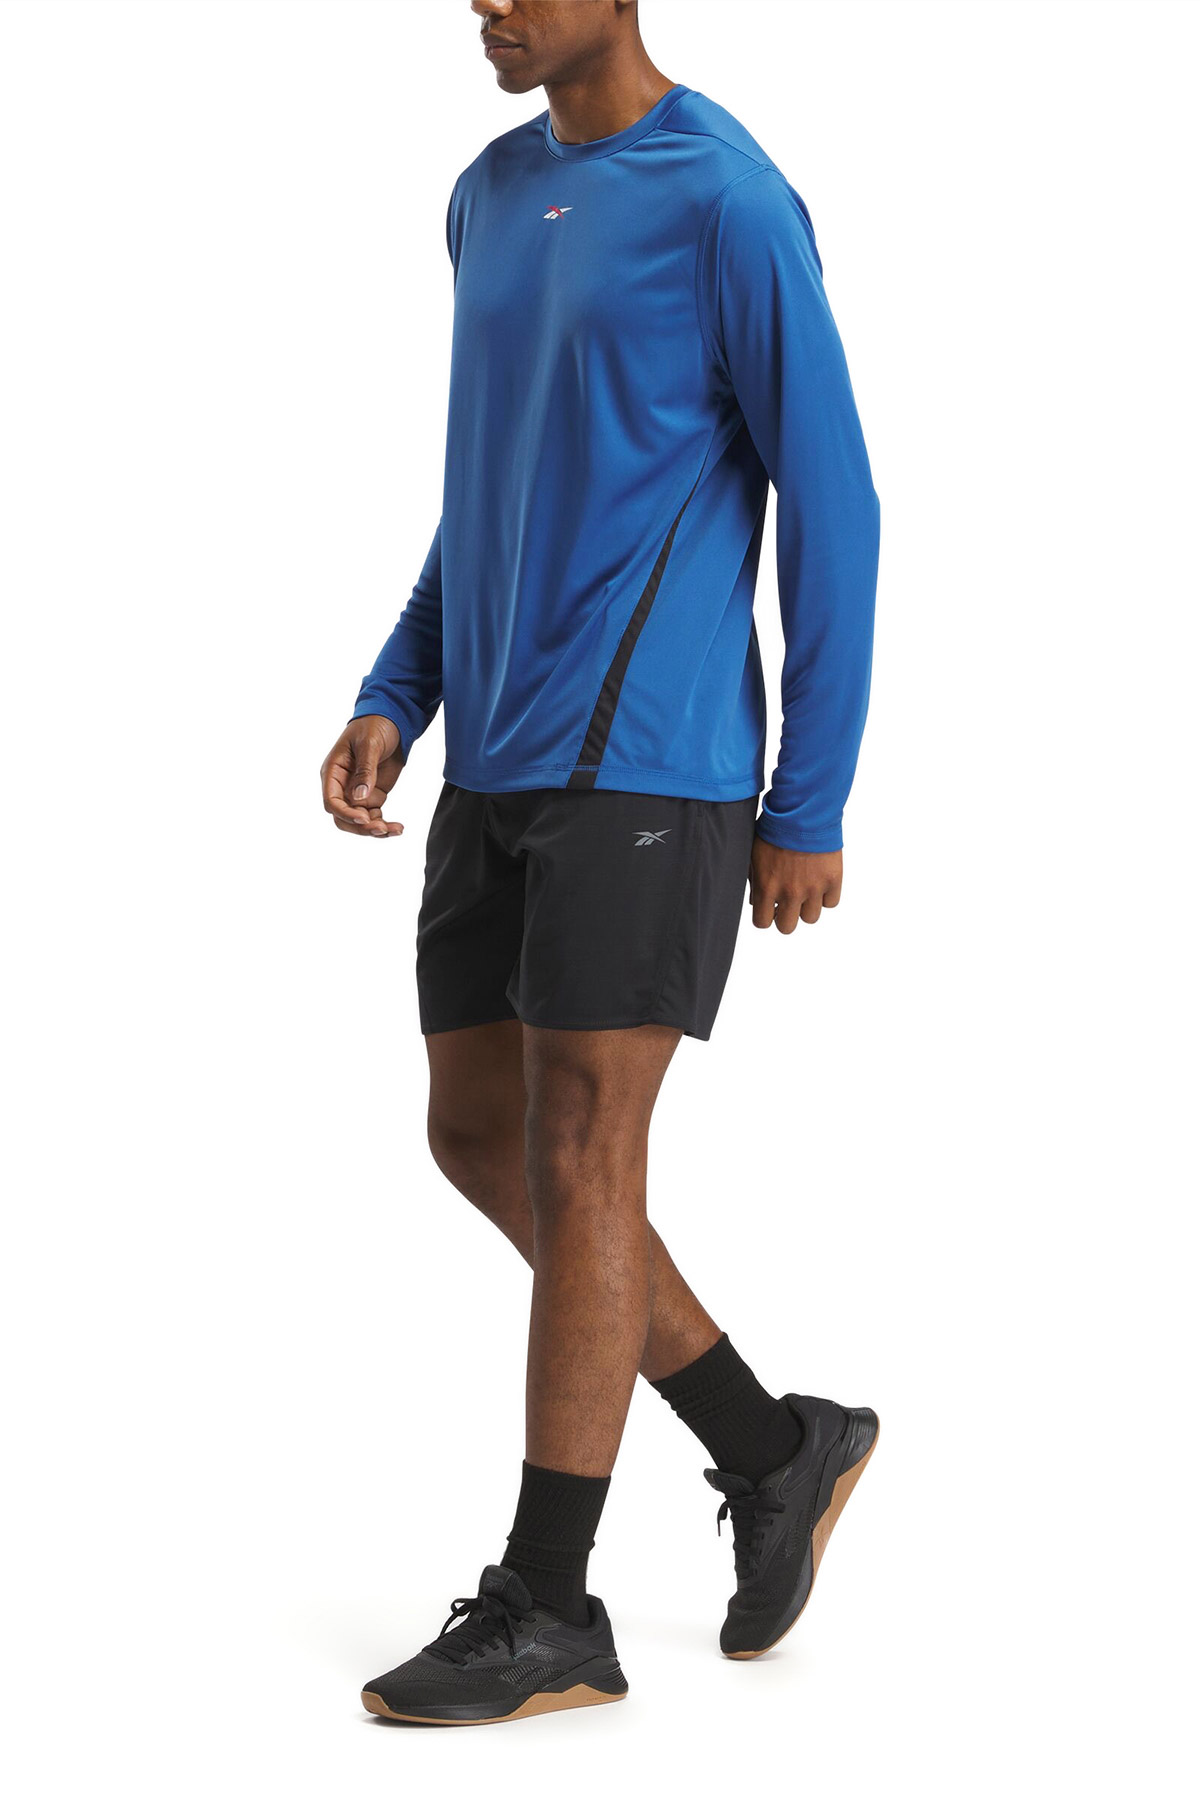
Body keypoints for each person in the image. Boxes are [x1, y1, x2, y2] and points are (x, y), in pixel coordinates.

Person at [320, 0, 880, 1726]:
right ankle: (772, 1446)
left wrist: (810, 797)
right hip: (496, 753)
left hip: (654, 760)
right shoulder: (487, 193)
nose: (483, 2)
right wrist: (397, 691)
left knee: (582, 1148)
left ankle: (551, 1601)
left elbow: (837, 499)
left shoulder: (729, 198)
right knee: (476, 1134)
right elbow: (495, 483)